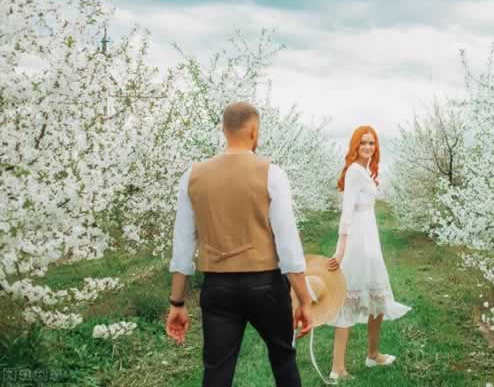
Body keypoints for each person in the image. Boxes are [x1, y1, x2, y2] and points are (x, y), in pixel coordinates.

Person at [165, 101, 314, 387]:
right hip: (267, 286)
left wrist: (177, 302)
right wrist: (304, 298)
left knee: (217, 371)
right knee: (283, 360)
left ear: (223, 130)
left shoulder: (192, 176)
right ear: (254, 131)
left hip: (218, 288)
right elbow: (288, 245)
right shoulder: (272, 174)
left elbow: (183, 247)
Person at [326, 125, 411, 380]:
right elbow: (347, 212)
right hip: (358, 241)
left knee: (377, 297)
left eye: (372, 143)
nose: (368, 147)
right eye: (363, 143)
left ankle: (373, 355)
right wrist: (340, 250)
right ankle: (337, 368)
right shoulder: (354, 171)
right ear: (355, 146)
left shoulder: (365, 171)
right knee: (348, 300)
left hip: (370, 238)